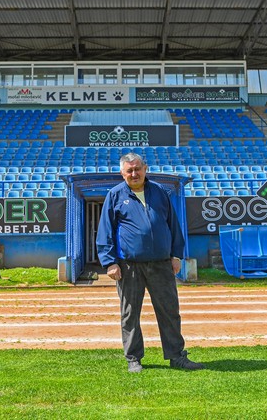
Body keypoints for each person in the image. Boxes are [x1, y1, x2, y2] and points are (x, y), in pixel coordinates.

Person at [96, 152, 204, 373]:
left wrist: (175, 255)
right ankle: (134, 358)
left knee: (169, 311)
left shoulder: (160, 192)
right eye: (129, 170)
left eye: (138, 169)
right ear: (122, 173)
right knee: (130, 314)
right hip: (129, 266)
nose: (134, 174)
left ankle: (177, 356)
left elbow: (173, 224)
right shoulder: (115, 195)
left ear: (145, 169)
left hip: (161, 264)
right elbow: (105, 231)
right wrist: (110, 262)